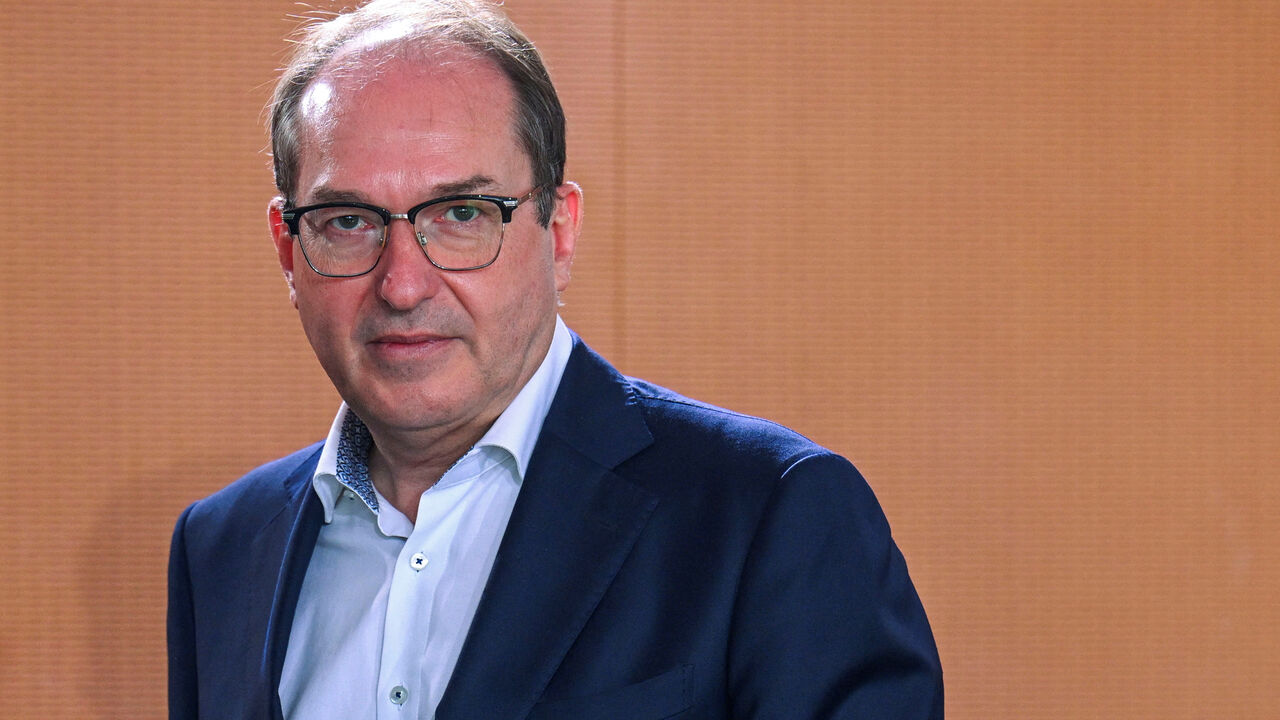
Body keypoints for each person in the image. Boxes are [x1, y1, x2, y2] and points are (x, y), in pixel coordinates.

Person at [166, 0, 943, 717]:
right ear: (286, 247)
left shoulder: (770, 515)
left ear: (560, 231)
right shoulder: (224, 550)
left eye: (463, 213)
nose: (402, 284)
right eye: (347, 221)